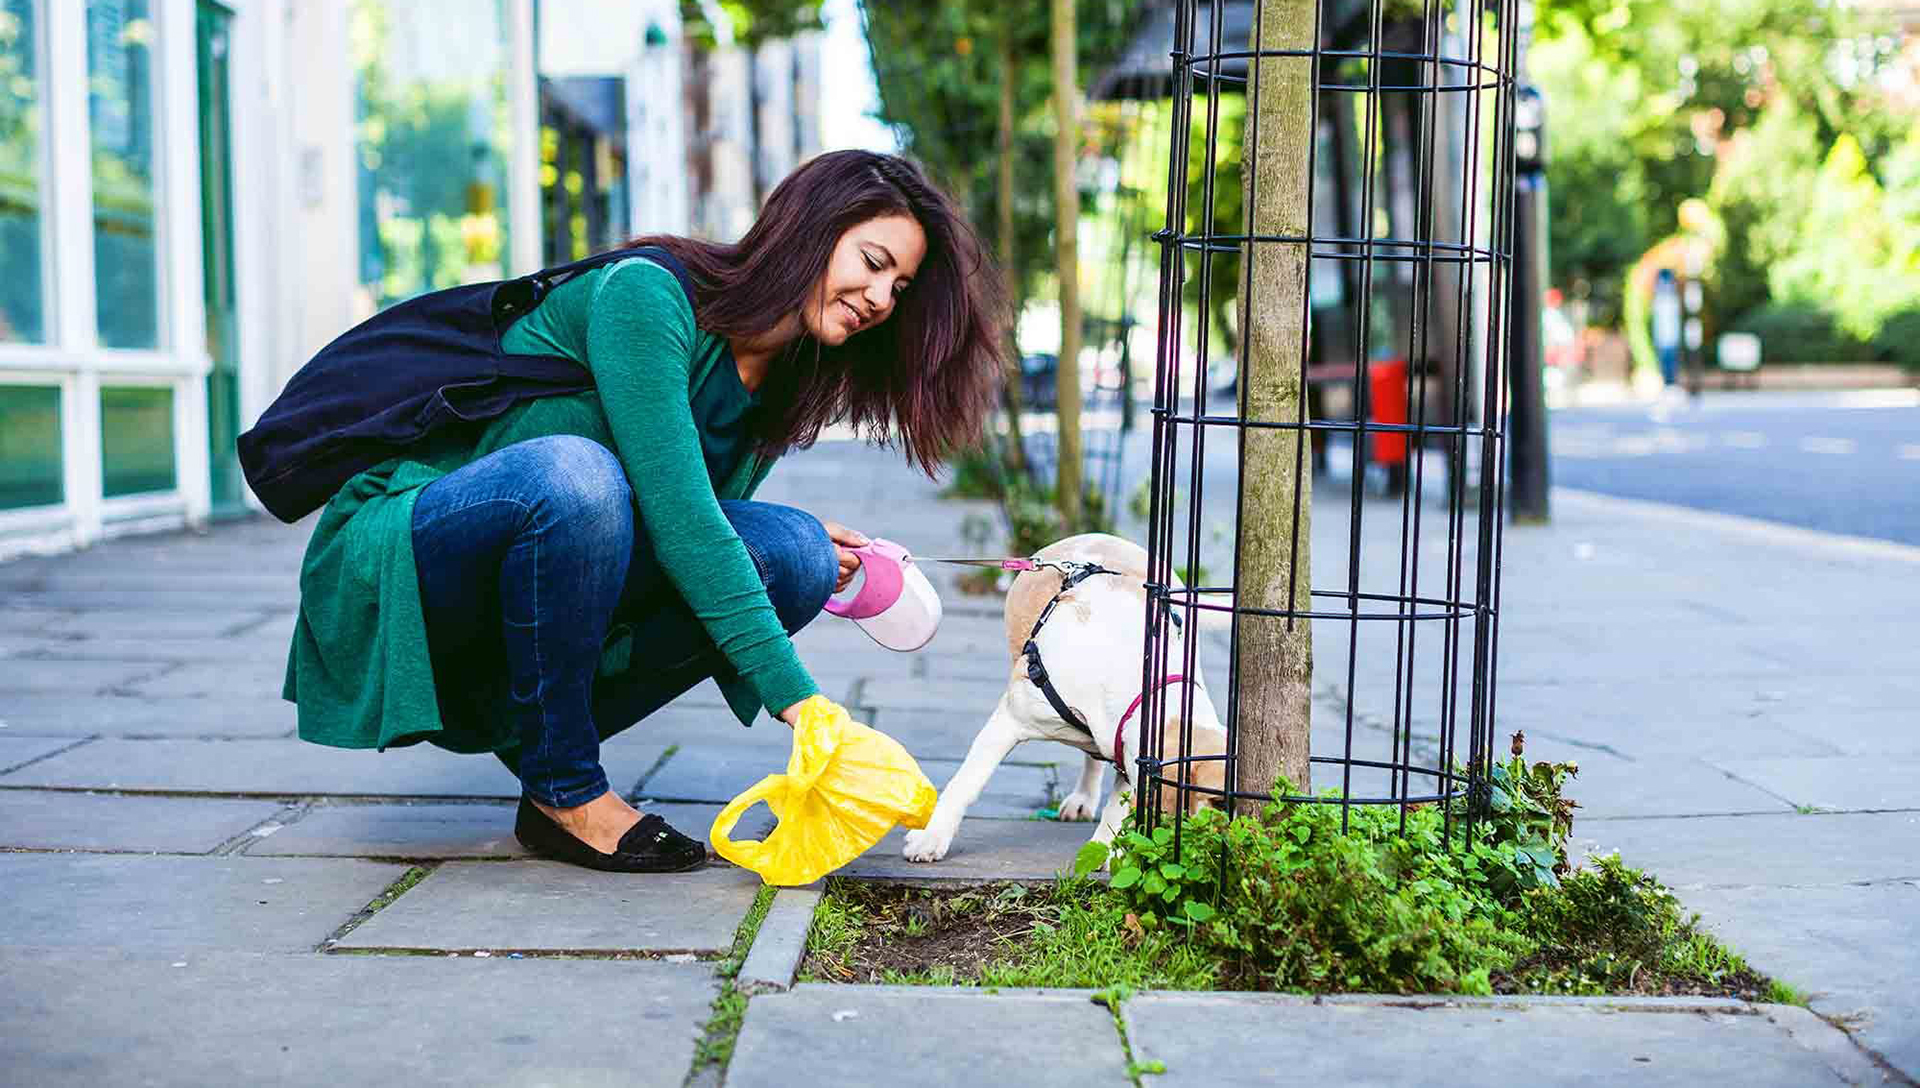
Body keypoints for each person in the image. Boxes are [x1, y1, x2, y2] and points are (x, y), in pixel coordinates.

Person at [284, 151, 1004, 872]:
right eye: (873, 262)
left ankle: (543, 750)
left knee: (796, 554)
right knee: (579, 475)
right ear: (811, 229)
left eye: (899, 287)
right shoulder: (648, 295)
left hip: (544, 576)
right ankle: (566, 787)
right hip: (412, 554)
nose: (882, 298)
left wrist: (803, 546)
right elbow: (683, 521)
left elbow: (685, 516)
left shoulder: (782, 379)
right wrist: (809, 709)